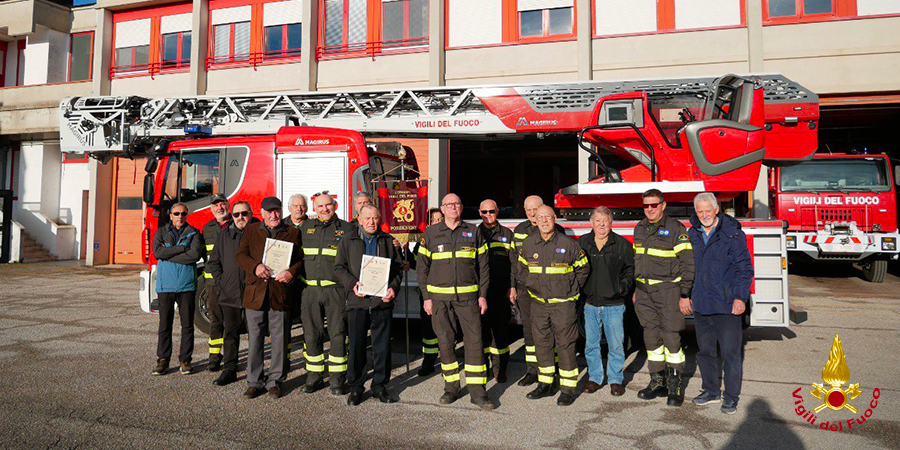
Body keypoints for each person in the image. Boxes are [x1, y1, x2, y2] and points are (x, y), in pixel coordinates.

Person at [417, 193, 494, 410]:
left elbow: (484, 266)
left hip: (468, 299)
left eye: (457, 204)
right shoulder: (430, 233)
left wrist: (482, 295)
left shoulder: (474, 231)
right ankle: (451, 388)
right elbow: (422, 268)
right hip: (439, 300)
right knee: (445, 342)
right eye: (449, 204)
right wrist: (426, 297)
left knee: (475, 342)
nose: (453, 207)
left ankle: (478, 392)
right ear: (442, 209)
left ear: (461, 207)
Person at [686, 192, 753, 415]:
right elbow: (687, 268)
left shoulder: (732, 234)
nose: (704, 215)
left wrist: (740, 298)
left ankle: (731, 398)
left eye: (708, 210)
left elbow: (744, 269)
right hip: (702, 303)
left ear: (716, 210)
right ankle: (711, 391)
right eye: (700, 211)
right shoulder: (692, 234)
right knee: (705, 352)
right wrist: (685, 295)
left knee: (730, 354)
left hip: (726, 304)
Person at [518, 205, 589, 406]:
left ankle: (567, 389)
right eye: (540, 217)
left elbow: (583, 269)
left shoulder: (568, 244)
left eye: (547, 217)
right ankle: (546, 383)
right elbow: (522, 270)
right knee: (542, 344)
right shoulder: (529, 244)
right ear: (535, 220)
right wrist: (532, 287)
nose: (544, 221)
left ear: (554, 218)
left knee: (565, 345)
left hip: (563, 305)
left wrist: (570, 290)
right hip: (539, 304)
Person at [334, 204, 403, 405]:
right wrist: (352, 284)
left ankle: (380, 386)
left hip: (382, 303)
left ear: (379, 219)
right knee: (357, 347)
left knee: (382, 348)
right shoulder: (348, 240)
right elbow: (339, 268)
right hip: (358, 302)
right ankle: (356, 387)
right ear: (360, 220)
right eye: (367, 218)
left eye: (375, 218)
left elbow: (398, 269)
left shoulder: (388, 240)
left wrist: (393, 289)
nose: (371, 222)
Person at [235, 196, 303, 399]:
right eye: (269, 211)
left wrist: (291, 272)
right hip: (256, 293)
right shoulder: (251, 230)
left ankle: (275, 381)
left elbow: (300, 260)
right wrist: (255, 267)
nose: (274, 215)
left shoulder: (292, 232)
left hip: (279, 293)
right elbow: (240, 256)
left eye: (277, 211)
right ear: (262, 212)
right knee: (255, 340)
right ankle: (254, 382)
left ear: (281, 211)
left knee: (279, 339)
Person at [632, 189, 694, 407]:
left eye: (654, 205)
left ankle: (675, 386)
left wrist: (685, 294)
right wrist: (637, 288)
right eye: (646, 205)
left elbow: (688, 264)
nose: (650, 209)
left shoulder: (676, 229)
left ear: (663, 205)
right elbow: (638, 260)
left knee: (671, 338)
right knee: (651, 338)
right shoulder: (639, 228)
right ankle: (657, 381)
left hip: (668, 292)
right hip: (644, 293)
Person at [299, 192, 354, 395]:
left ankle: (337, 379)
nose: (324, 209)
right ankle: (314, 377)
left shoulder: (347, 229)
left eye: (328, 205)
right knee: (312, 334)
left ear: (335, 205)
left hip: (335, 290)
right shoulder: (305, 228)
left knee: (337, 334)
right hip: (310, 291)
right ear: (315, 208)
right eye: (320, 206)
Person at [577, 206, 634, 397]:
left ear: (611, 223)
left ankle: (615, 380)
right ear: (591, 222)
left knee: (616, 345)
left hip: (614, 305)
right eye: (597, 220)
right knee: (591, 345)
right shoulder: (582, 243)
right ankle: (594, 378)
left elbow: (630, 269)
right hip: (590, 304)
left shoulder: (622, 244)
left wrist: (622, 287)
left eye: (605, 221)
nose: (601, 225)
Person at [512, 195, 564, 386]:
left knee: (552, 329)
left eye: (536, 209)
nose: (533, 213)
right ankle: (532, 371)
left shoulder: (557, 229)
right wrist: (513, 286)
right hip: (526, 290)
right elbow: (514, 261)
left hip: (550, 289)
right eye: (529, 210)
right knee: (529, 331)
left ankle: (554, 367)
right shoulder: (519, 231)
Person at [206, 201, 257, 386]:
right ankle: (229, 369)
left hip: (254, 293)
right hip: (230, 293)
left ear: (251, 214)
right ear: (232, 216)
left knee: (256, 333)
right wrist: (222, 282)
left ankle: (256, 370)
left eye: (244, 213)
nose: (240, 217)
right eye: (236, 214)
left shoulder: (259, 233)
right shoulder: (224, 235)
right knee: (230, 333)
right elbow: (214, 262)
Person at [151, 203, 203, 376]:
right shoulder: (161, 232)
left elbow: (194, 255)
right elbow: (157, 253)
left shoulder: (194, 233)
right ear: (171, 215)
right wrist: (181, 249)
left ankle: (185, 360)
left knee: (187, 325)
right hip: (165, 285)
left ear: (187, 215)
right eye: (176, 213)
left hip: (187, 285)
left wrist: (169, 254)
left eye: (183, 213)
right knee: (165, 325)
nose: (180, 216)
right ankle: (163, 360)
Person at [477, 199, 516, 383]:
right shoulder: (474, 234)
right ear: (479, 213)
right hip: (480, 293)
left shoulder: (507, 234)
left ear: (497, 211)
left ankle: (500, 370)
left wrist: (512, 285)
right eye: (484, 212)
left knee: (500, 333)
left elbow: (514, 264)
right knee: (482, 333)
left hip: (501, 292)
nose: (488, 215)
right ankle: (484, 367)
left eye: (491, 211)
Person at [407, 207, 443, 376]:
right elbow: (416, 264)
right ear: (428, 224)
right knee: (428, 329)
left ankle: (448, 361)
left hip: (446, 292)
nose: (437, 222)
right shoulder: (423, 242)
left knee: (447, 328)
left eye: (439, 219)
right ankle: (428, 361)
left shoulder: (451, 238)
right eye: (433, 220)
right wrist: (405, 252)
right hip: (428, 293)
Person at [201, 194, 232, 371]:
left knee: (233, 321)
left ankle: (230, 356)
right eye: (215, 205)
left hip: (232, 282)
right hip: (213, 283)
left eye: (222, 204)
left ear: (228, 204)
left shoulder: (237, 223)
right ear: (211, 208)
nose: (219, 208)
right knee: (215, 319)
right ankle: (214, 356)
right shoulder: (207, 228)